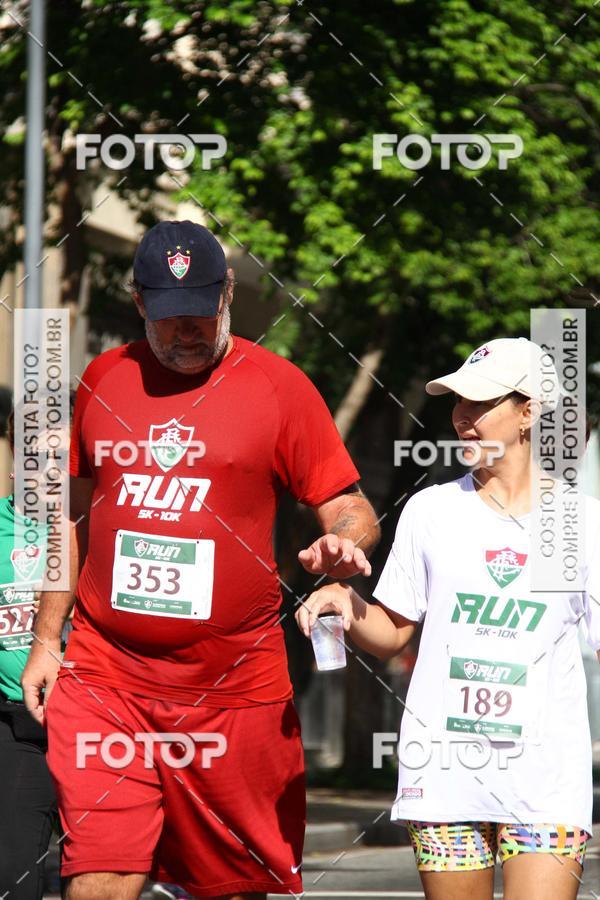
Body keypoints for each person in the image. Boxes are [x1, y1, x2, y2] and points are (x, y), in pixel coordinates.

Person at [21, 219, 380, 900]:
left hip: (233, 688)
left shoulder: (279, 388)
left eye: (199, 316)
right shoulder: (103, 376)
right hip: (109, 676)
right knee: (100, 865)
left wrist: (342, 549)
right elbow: (69, 519)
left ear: (226, 298)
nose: (185, 334)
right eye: (167, 320)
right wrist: (47, 640)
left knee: (230, 883)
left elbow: (349, 506)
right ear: (138, 303)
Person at [297, 337, 600, 900]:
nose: (461, 417)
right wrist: (345, 599)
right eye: (456, 402)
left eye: (479, 403)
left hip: (545, 781)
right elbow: (391, 634)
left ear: (529, 410)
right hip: (443, 776)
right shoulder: (430, 510)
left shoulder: (581, 524)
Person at [0, 401, 72, 900]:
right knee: (13, 878)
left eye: (61, 459)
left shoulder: (97, 528)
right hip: (19, 729)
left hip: (101, 726)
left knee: (97, 879)